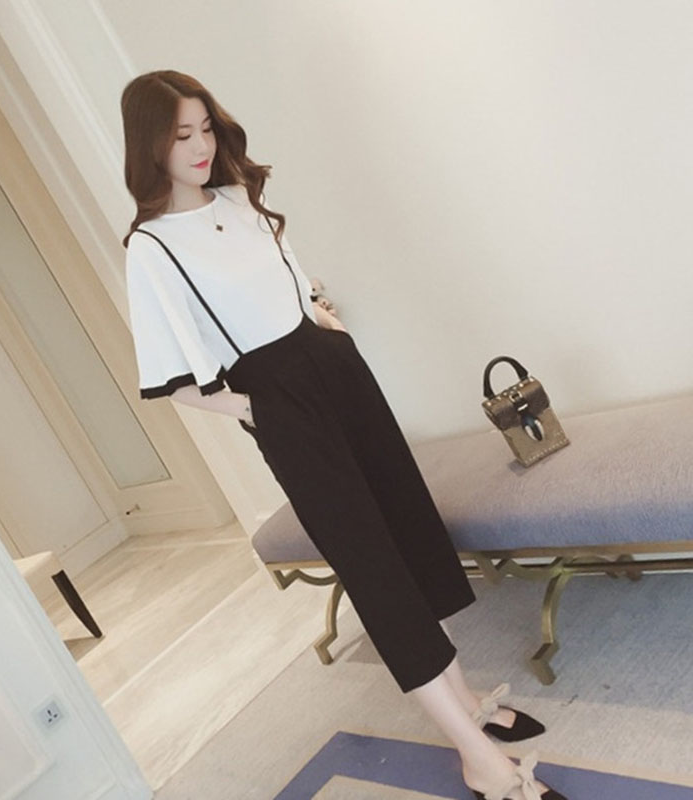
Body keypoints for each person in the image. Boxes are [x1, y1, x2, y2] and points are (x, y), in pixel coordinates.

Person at [120, 69, 566, 800]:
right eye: (181, 136)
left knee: (406, 531)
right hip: (283, 407)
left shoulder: (239, 200)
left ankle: (466, 702)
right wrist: (256, 410)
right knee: (373, 567)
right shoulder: (152, 248)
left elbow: (294, 288)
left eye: (205, 129)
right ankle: (474, 756)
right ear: (150, 145)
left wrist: (326, 324)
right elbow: (177, 383)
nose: (200, 147)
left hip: (340, 375)